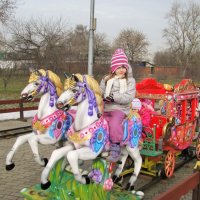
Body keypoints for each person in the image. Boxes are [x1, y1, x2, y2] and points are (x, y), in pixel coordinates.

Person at [100, 48, 136, 162]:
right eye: (119, 67)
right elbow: (100, 91)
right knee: (98, 122)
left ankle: (115, 147)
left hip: (120, 108)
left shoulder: (130, 81)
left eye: (124, 67)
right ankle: (101, 143)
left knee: (115, 123)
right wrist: (102, 96)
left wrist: (113, 96)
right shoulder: (106, 79)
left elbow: (129, 97)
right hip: (106, 107)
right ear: (113, 68)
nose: (122, 70)